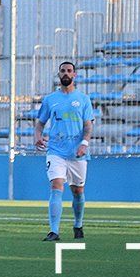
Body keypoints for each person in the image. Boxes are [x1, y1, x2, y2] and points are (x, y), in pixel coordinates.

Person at [34, 61, 94, 241]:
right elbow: (40, 123)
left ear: (74, 75)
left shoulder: (83, 99)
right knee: (56, 186)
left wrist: (84, 143)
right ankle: (54, 231)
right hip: (56, 151)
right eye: (63, 71)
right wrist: (37, 135)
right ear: (59, 75)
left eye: (69, 71)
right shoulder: (50, 99)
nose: (66, 73)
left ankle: (78, 225)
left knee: (78, 191)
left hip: (77, 153)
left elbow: (88, 126)